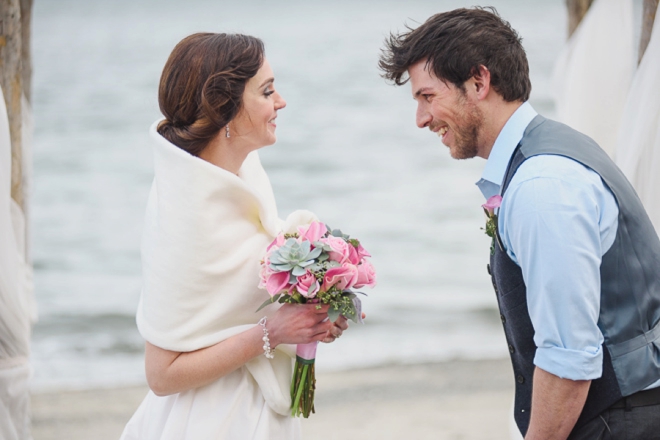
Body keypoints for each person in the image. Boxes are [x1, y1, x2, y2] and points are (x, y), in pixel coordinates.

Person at [379, 7, 660, 440]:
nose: (420, 119)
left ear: (478, 82)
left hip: (619, 423)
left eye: (427, 97)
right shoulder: (554, 149)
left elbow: (569, 357)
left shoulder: (542, 185)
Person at [120, 33, 349, 440]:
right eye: (267, 91)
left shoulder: (244, 177)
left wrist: (311, 321)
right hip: (210, 422)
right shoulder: (184, 211)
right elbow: (161, 374)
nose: (281, 101)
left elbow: (234, 311)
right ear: (224, 106)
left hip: (263, 414)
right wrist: (273, 332)